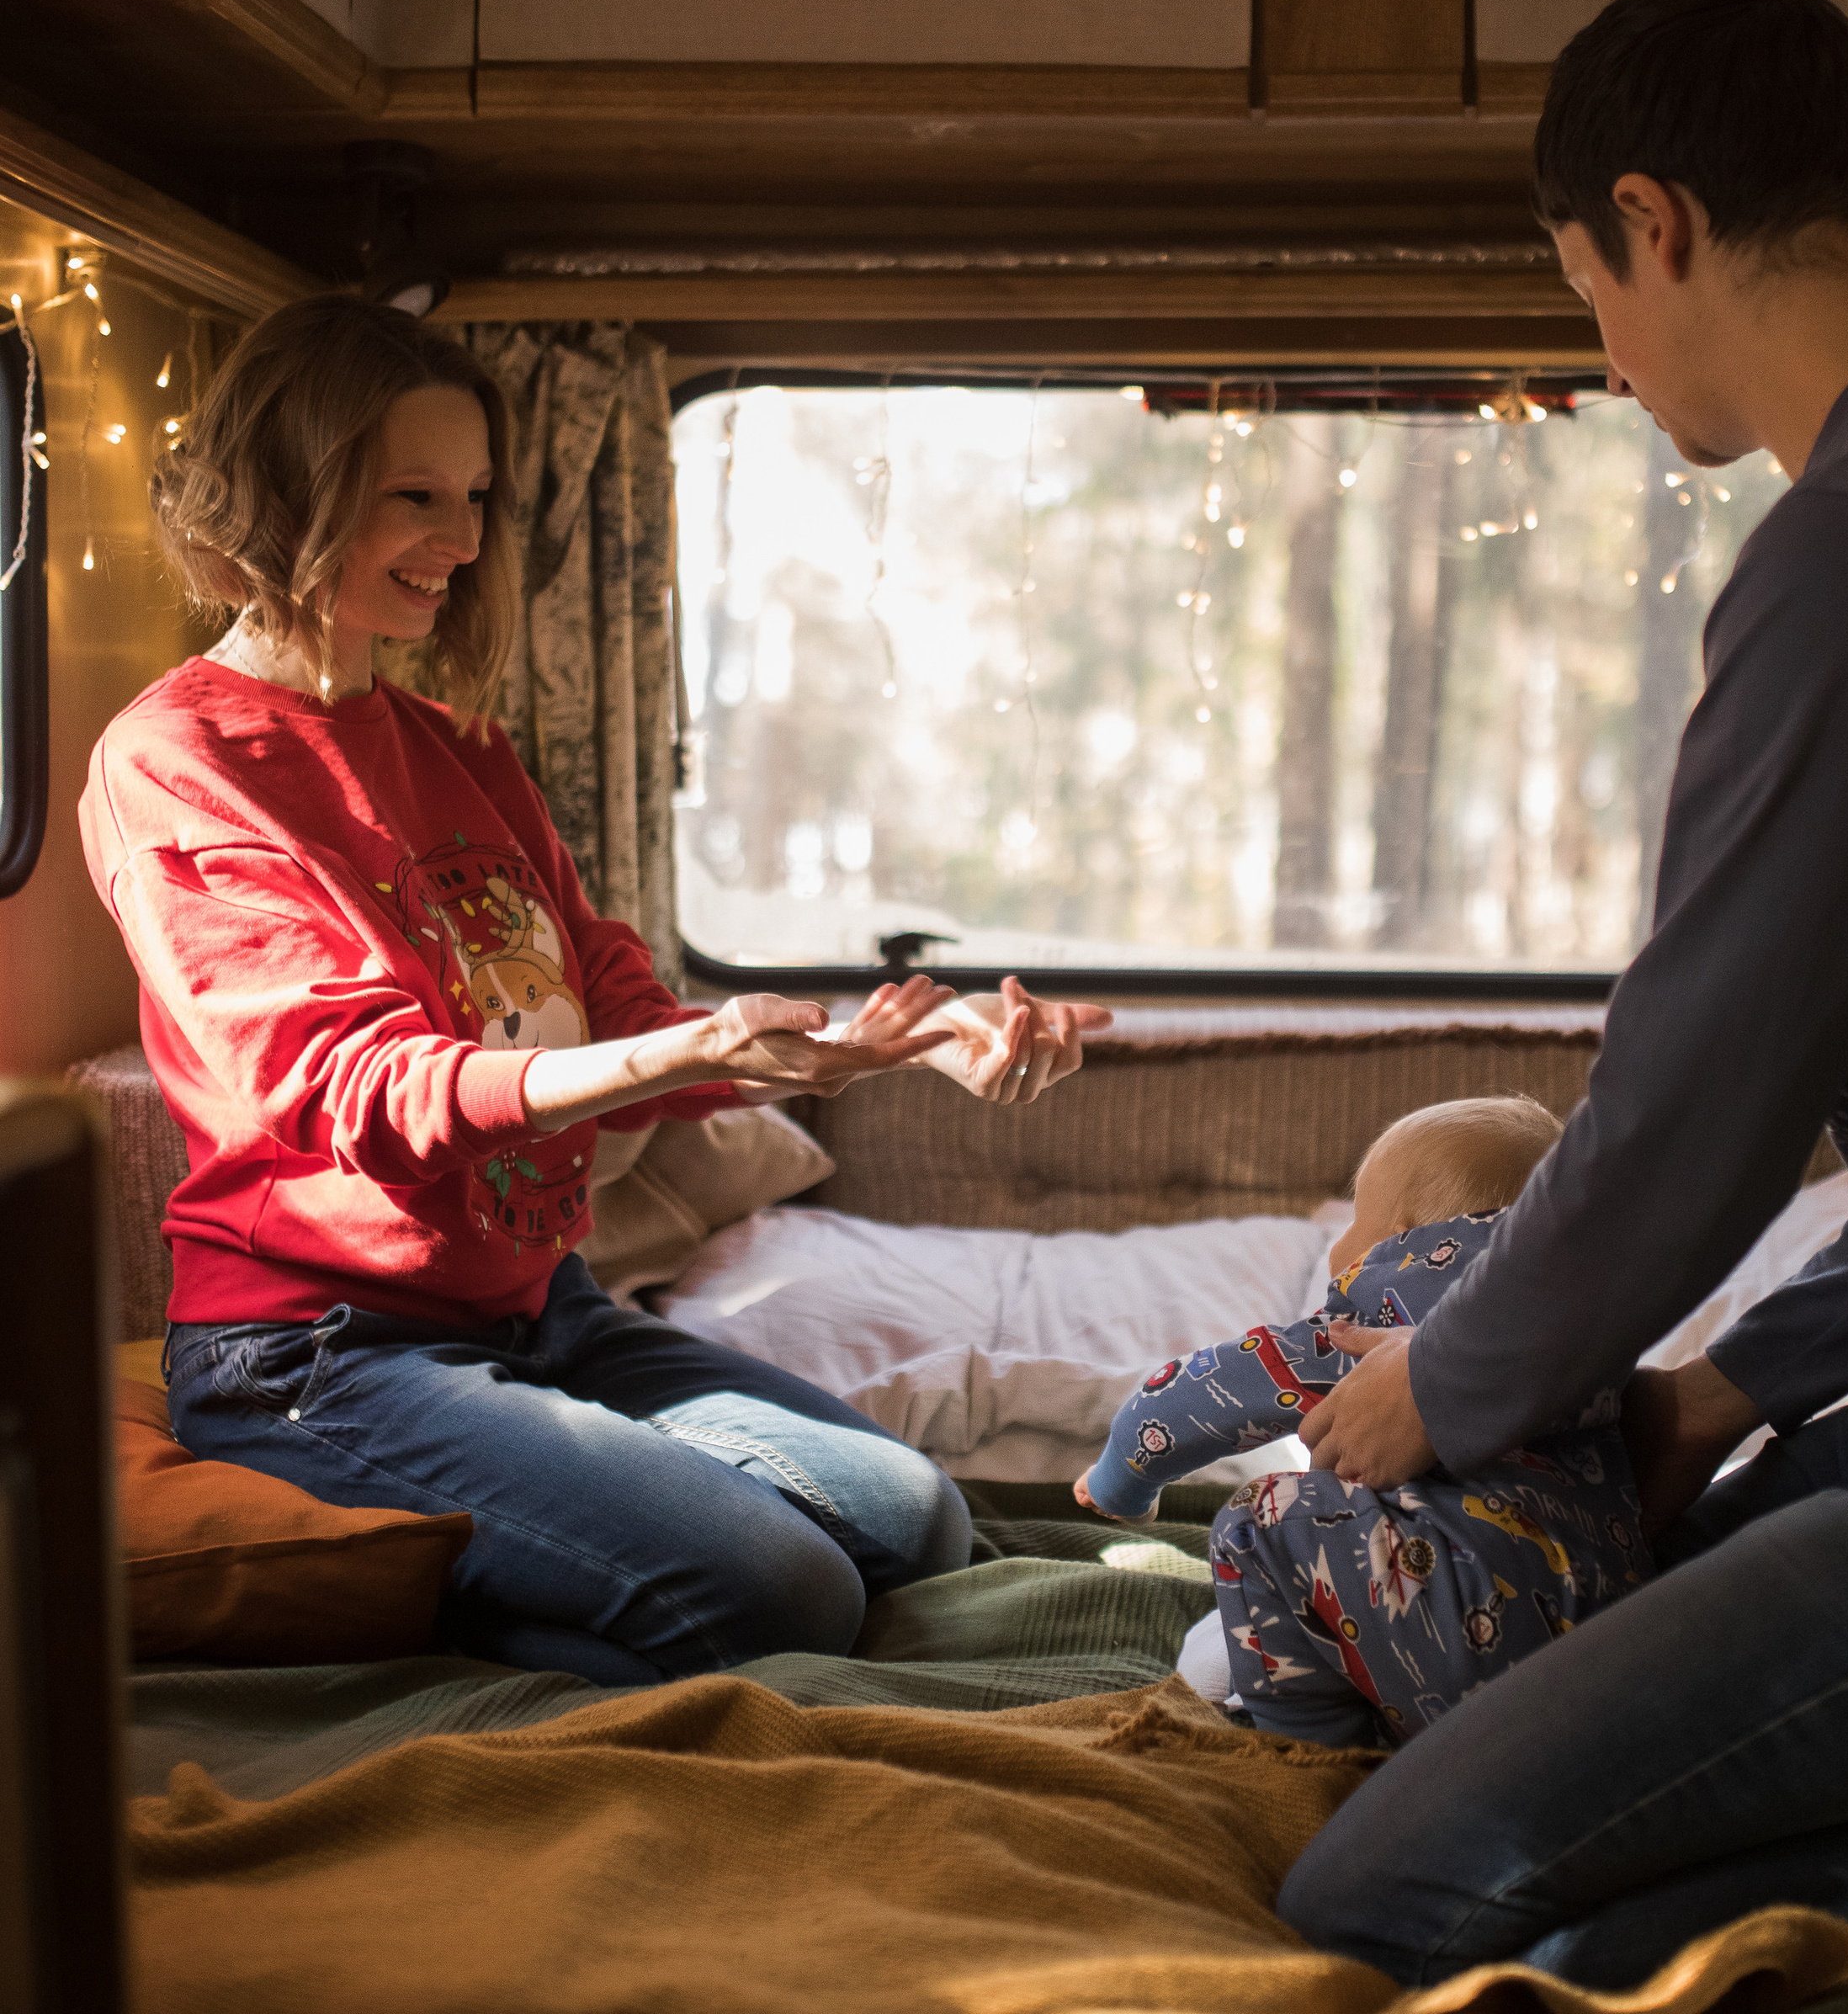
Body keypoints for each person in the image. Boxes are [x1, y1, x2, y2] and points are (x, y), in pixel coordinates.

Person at [1273, 0, 1848, 1985]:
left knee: (1388, 1891)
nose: (1597, 352)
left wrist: (1455, 1374)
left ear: (1651, 222)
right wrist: (1723, 1388)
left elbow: (1696, 1104)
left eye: (1584, 285)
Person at [80, 295, 1112, 1687]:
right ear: (288, 497)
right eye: (415, 498)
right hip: (323, 1354)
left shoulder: (461, 748)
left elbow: (615, 994)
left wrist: (893, 1046)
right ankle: (414, 1628)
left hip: (536, 1311)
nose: (461, 542)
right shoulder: (179, 760)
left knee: (911, 1519)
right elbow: (364, 1098)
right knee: (784, 1591)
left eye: (477, 500)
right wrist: (683, 1060)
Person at [1076, 1097, 1649, 1749]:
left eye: (1355, 1220)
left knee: (1259, 1520)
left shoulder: (1390, 1316)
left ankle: (1308, 1747)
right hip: (1604, 1639)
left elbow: (1197, 1398)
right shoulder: (1591, 1339)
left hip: (1461, 1624)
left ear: (1399, 1236)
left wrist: (1120, 1479)